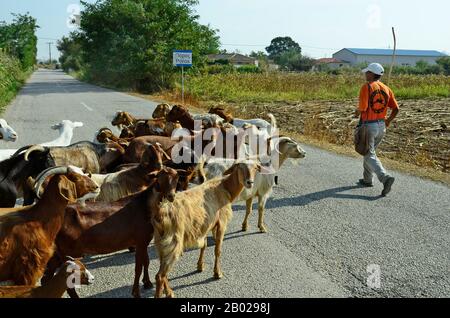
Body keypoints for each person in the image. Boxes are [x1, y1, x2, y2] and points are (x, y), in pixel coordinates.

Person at [357, 63, 399, 196]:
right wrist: (388, 121)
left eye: (367, 72)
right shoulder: (387, 89)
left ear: (371, 73)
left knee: (368, 153)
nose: (365, 74)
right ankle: (367, 179)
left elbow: (363, 108)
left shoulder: (367, 87)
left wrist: (356, 112)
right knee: (370, 152)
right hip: (381, 125)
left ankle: (385, 178)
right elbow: (396, 109)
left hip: (369, 125)